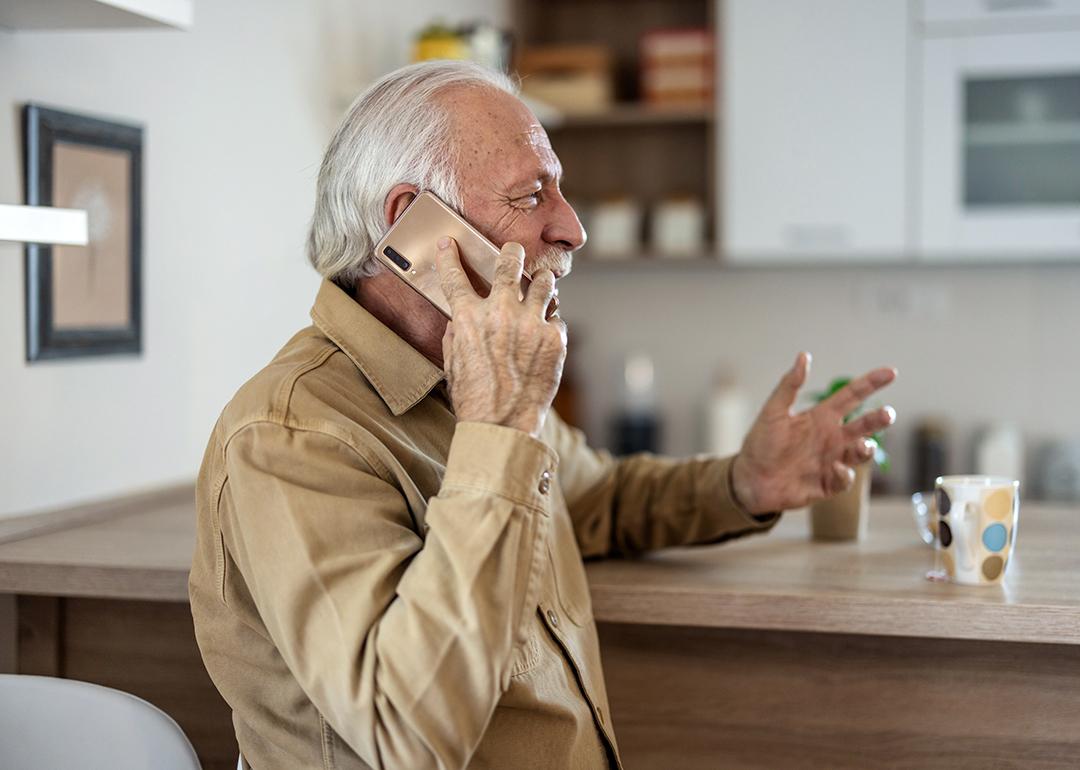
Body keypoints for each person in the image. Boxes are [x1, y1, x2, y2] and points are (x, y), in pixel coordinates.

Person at [189, 60, 897, 770]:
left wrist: (746, 482)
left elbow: (595, 496)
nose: (573, 229)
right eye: (531, 195)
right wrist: (497, 431)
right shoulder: (291, 436)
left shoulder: (473, 376)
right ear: (410, 227)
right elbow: (404, 731)